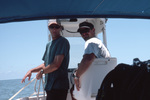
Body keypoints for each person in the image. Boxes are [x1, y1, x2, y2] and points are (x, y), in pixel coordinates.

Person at [21, 19, 70, 100]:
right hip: (50, 86)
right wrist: (31, 70)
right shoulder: (49, 44)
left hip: (59, 87)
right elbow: (45, 64)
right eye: (52, 27)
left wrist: (42, 72)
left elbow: (56, 65)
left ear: (60, 28)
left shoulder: (62, 42)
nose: (54, 29)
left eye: (56, 27)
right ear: (48, 28)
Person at [72, 21, 110, 100]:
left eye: (86, 30)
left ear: (93, 30)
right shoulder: (99, 42)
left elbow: (88, 59)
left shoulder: (91, 42)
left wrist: (76, 76)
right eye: (81, 32)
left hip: (95, 85)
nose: (84, 33)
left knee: (73, 90)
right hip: (104, 84)